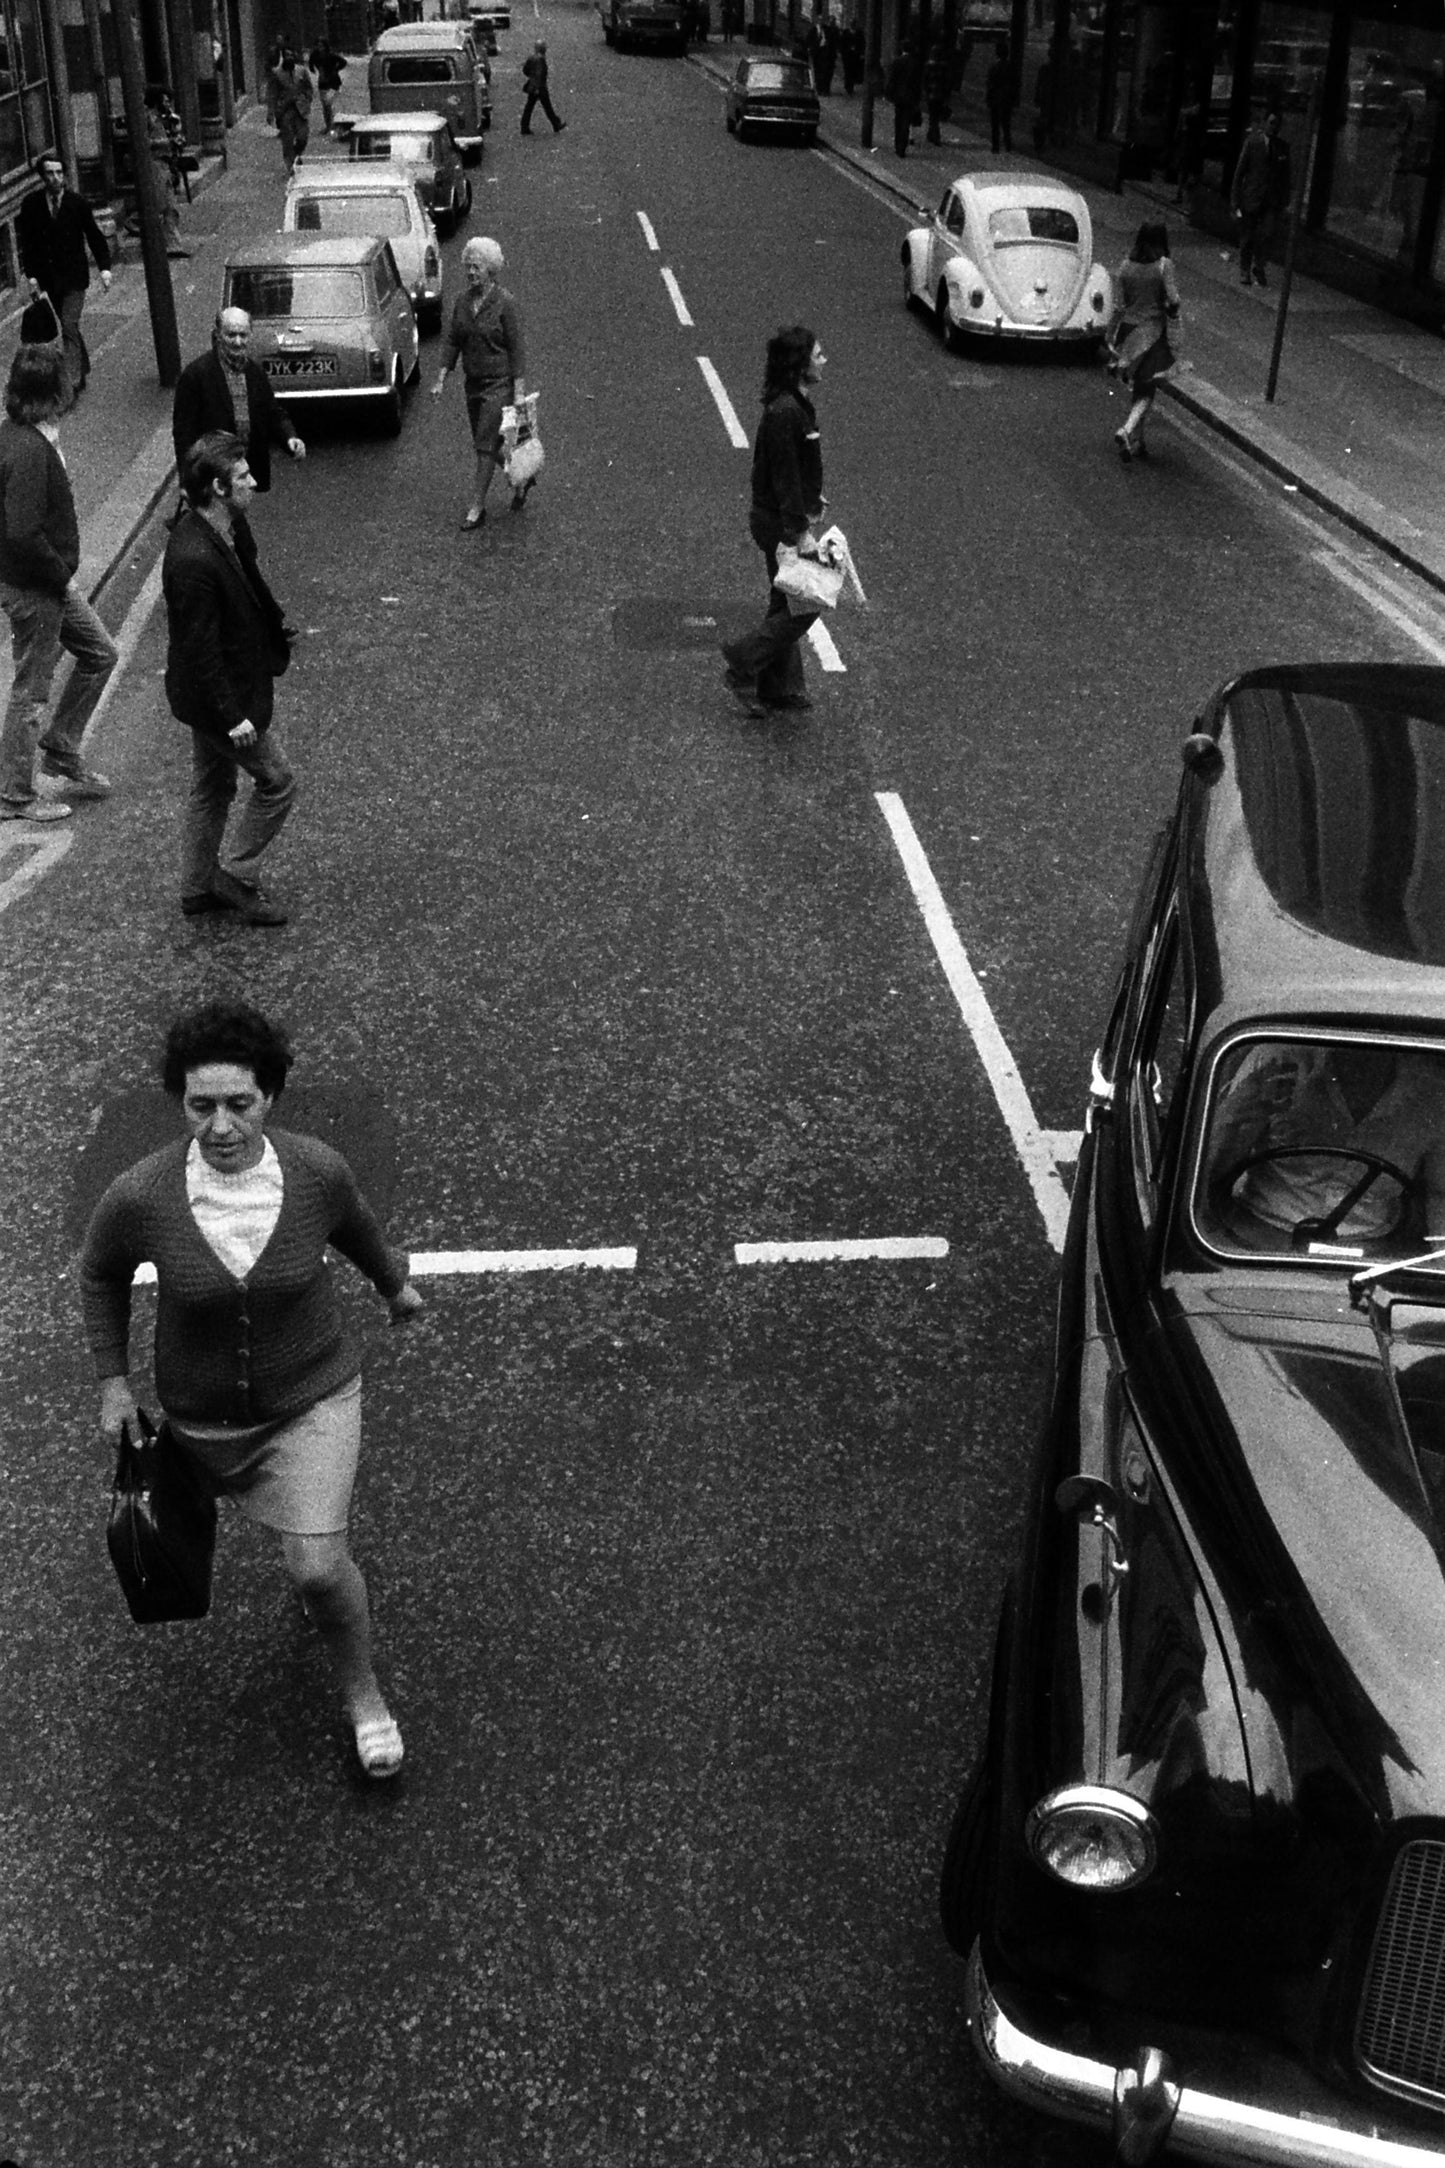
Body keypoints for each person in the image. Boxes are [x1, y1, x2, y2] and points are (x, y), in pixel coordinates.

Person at [80, 996, 425, 1780]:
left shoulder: (313, 1172)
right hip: (198, 1418)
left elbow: (358, 1227)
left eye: (241, 1103)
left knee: (315, 1570)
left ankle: (364, 1699)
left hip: (311, 1397)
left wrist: (393, 1288)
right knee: (187, 1548)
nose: (222, 1126)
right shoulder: (142, 1194)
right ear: (181, 1103)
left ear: (271, 1096)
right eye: (201, 1106)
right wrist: (113, 1383)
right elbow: (99, 1272)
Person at [162, 433, 296, 925]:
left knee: (212, 786)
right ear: (218, 487)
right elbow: (199, 650)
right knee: (278, 781)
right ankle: (234, 875)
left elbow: (250, 584)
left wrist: (275, 622)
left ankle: (197, 887)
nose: (254, 482)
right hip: (217, 700)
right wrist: (233, 716)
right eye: (243, 477)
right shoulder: (193, 558)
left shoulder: (226, 530)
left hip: (212, 694)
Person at [0, 347, 117, 823]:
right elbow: (23, 531)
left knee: (100, 653)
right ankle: (13, 796)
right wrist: (60, 574)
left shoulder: (15, 435)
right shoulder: (27, 450)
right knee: (31, 692)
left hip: (42, 584)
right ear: (51, 394)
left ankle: (62, 747)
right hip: (37, 589)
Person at [1203, 1039, 1445, 1255]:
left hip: (1370, 1252)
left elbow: (1440, 1194)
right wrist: (1240, 1109)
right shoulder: (1278, 1058)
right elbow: (1208, 1174)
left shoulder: (1430, 1091)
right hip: (1254, 1238)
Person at [719, 324, 828, 719]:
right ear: (800, 365)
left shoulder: (794, 405)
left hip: (782, 516)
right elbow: (783, 478)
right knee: (808, 601)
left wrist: (812, 498)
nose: (824, 360)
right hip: (779, 524)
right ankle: (743, 659)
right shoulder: (786, 412)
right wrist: (799, 533)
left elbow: (793, 470)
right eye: (817, 355)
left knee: (786, 600)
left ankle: (777, 687)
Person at [432, 236, 527, 529]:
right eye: (468, 267)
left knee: (484, 445)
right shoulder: (462, 302)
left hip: (499, 385)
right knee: (486, 443)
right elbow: (452, 340)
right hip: (473, 384)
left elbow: (517, 348)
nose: (471, 273)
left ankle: (477, 506)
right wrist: (441, 378)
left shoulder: (505, 303)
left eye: (477, 267)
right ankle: (522, 475)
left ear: (491, 270)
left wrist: (519, 392)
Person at [172, 309, 306, 495]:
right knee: (231, 523)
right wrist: (186, 481)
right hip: (214, 476)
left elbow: (272, 412)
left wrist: (290, 437)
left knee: (239, 519)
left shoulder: (255, 372)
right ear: (218, 335)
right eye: (231, 335)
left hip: (245, 472)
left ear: (250, 335)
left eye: (243, 335)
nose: (237, 341)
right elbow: (184, 433)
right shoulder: (195, 376)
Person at [16, 152, 113, 400]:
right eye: (50, 173)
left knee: (69, 324)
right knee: (69, 326)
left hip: (74, 278)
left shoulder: (77, 203)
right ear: (42, 176)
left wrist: (104, 268)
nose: (56, 178)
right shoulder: (32, 204)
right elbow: (28, 242)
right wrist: (32, 277)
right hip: (49, 278)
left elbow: (93, 235)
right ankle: (83, 365)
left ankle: (71, 381)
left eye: (59, 173)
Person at [1107, 219, 1181, 462]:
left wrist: (1111, 336)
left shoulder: (1126, 266)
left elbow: (1119, 305)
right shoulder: (1163, 266)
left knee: (1139, 386)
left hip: (1129, 331)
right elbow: (1173, 299)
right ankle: (1127, 429)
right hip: (1153, 332)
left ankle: (1137, 442)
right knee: (1147, 389)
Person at [1230, 106, 1291, 287]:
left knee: (1267, 234)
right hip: (1252, 197)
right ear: (1265, 123)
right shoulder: (1252, 143)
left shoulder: (1282, 148)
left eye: (1277, 125)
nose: (1274, 128)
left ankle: (1259, 265)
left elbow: (1285, 176)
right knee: (1248, 236)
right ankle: (1245, 269)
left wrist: (1284, 199)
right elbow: (1239, 172)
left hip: (1271, 200)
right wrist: (1235, 200)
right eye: (1271, 123)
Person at [271, 48, 314, 175]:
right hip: (285, 110)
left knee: (303, 137)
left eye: (291, 55)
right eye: (286, 55)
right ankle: (290, 164)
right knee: (288, 139)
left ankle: (296, 154)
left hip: (301, 109)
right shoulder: (277, 73)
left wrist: (307, 99)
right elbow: (273, 94)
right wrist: (272, 112)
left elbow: (308, 87)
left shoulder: (301, 71)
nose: (289, 57)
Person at [520, 40, 564, 134]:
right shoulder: (540, 60)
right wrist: (537, 87)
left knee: (530, 107)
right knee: (547, 107)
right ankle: (555, 123)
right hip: (539, 87)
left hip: (534, 86)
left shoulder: (531, 58)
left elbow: (525, 70)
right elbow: (539, 74)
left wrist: (531, 78)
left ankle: (525, 126)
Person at [884, 39, 917, 156]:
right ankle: (902, 146)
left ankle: (898, 146)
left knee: (898, 121)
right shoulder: (914, 63)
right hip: (910, 97)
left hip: (899, 97)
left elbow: (892, 79)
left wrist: (888, 94)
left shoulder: (897, 62)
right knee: (906, 123)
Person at [307, 37, 346, 136]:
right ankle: (328, 125)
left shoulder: (331, 56)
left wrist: (335, 70)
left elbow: (343, 62)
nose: (320, 48)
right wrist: (314, 69)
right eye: (318, 46)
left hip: (333, 83)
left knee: (328, 103)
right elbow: (310, 63)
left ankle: (331, 125)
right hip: (322, 83)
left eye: (322, 46)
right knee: (325, 105)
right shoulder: (315, 56)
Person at [985, 37, 1014, 151]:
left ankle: (995, 145)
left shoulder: (994, 67)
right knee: (1006, 123)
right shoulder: (1010, 67)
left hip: (995, 98)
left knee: (995, 124)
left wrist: (988, 98)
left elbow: (990, 84)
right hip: (1006, 98)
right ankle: (1007, 144)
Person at [923, 38, 949, 142]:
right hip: (940, 94)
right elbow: (946, 81)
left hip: (931, 94)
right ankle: (933, 134)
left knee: (932, 114)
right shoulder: (943, 67)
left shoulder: (928, 66)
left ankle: (932, 133)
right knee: (936, 115)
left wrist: (925, 91)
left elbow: (925, 80)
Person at [839, 21, 862, 93]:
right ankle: (847, 86)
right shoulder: (845, 33)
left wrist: (860, 51)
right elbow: (842, 43)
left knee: (853, 71)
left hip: (855, 56)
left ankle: (851, 86)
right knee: (847, 71)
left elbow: (862, 43)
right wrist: (846, 50)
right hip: (847, 56)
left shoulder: (859, 33)